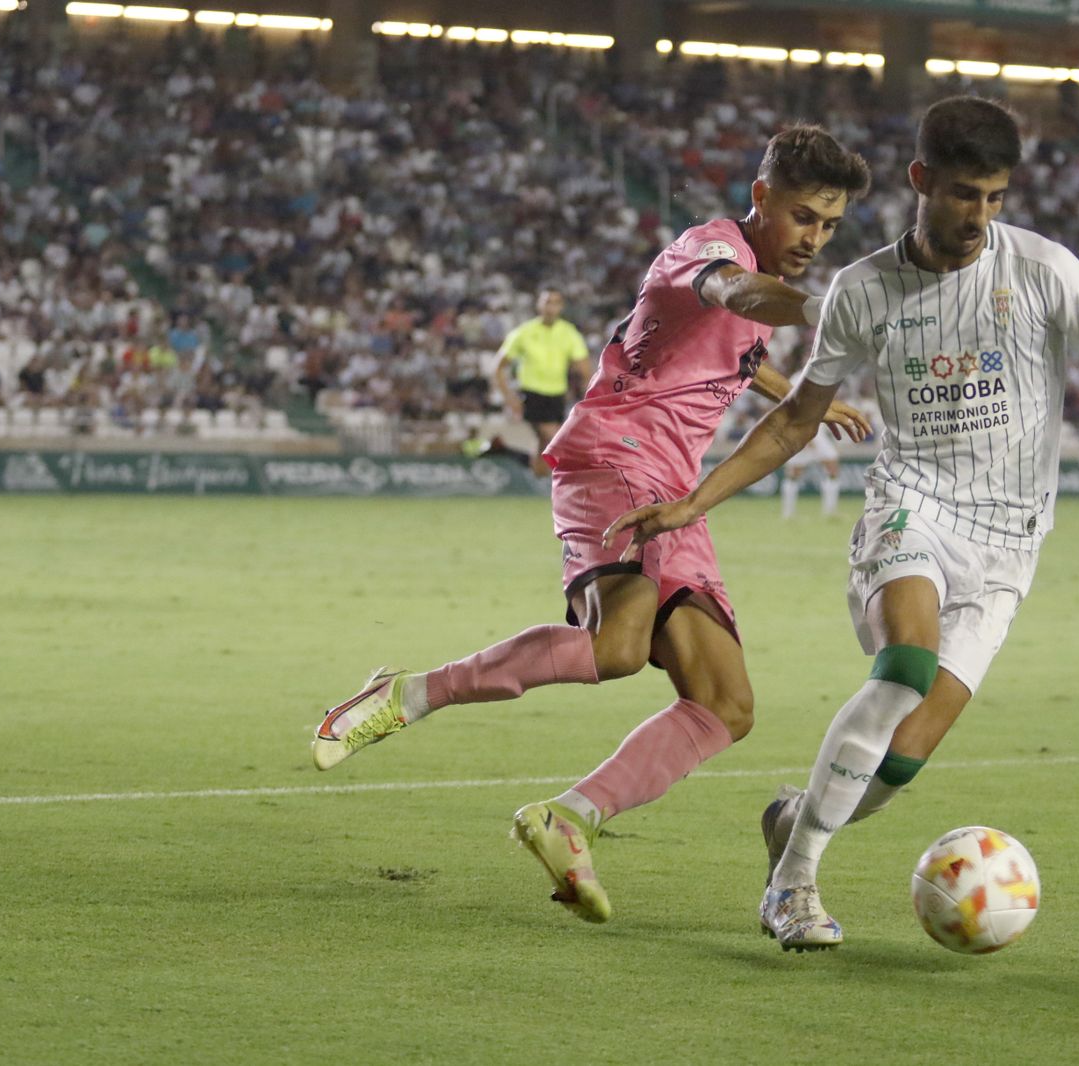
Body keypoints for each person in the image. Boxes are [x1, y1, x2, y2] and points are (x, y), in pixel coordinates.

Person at [604, 96, 1079, 951]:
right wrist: (692, 501)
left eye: (996, 197)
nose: (980, 216)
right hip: (913, 507)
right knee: (901, 670)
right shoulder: (861, 291)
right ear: (921, 180)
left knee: (900, 760)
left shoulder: (1047, 270)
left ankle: (795, 818)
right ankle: (791, 888)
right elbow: (793, 421)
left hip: (1011, 541)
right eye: (965, 193)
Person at [308, 126, 874, 925]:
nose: (814, 238)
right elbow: (731, 296)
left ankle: (569, 818)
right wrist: (827, 307)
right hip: (613, 455)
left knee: (725, 705)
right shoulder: (707, 249)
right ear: (761, 200)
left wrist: (793, 389)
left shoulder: (763, 288)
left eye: (829, 226)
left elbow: (733, 351)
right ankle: (407, 693)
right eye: (803, 217)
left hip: (676, 489)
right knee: (617, 648)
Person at [491, 290, 592, 474]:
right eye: (547, 302)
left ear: (561, 307)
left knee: (543, 443)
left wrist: (588, 396)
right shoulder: (524, 332)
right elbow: (498, 367)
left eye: (555, 303)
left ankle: (535, 481)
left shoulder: (569, 333)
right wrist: (509, 397)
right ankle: (564, 479)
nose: (551, 307)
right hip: (531, 393)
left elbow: (584, 368)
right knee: (554, 437)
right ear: (539, 305)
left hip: (556, 395)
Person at [781, 423, 843, 519]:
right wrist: (808, 438)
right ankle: (788, 513)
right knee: (793, 474)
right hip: (803, 433)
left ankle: (830, 511)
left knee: (833, 470)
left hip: (818, 433)